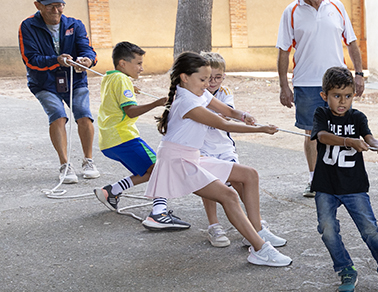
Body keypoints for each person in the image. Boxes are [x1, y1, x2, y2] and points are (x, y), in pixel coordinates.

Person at [148, 52, 291, 267]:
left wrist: (243, 115)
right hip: (177, 162)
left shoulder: (197, 93)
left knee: (249, 175)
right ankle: (260, 249)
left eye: (209, 79)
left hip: (192, 156)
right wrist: (261, 129)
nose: (207, 84)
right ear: (185, 78)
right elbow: (222, 124)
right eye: (203, 79)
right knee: (229, 195)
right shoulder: (186, 101)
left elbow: (226, 111)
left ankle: (256, 231)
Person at [312, 66, 378, 292]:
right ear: (325, 96)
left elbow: (369, 138)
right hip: (326, 185)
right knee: (327, 229)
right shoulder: (321, 114)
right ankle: (346, 269)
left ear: (354, 95)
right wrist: (349, 141)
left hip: (354, 186)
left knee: (370, 230)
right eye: (336, 96)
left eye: (347, 96)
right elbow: (322, 136)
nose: (342, 101)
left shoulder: (357, 117)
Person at [277, 0, 365, 198]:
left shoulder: (336, 6)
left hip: (338, 83)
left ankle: (341, 178)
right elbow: (283, 51)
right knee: (312, 134)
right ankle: (314, 180)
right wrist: (284, 86)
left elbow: (352, 42)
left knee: (342, 129)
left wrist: (358, 74)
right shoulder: (291, 12)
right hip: (306, 84)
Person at [94, 41, 189, 230]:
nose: (141, 68)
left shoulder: (110, 77)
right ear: (123, 63)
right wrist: (157, 103)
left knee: (148, 171)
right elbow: (130, 111)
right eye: (138, 63)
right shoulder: (122, 80)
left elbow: (116, 97)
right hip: (123, 137)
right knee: (160, 168)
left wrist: (130, 88)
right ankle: (159, 214)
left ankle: (111, 191)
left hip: (109, 141)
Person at [20, 0, 101, 183]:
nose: (56, 11)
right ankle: (65, 165)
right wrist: (56, 60)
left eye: (60, 6)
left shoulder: (75, 24)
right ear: (38, 6)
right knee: (57, 115)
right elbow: (30, 59)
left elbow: (88, 50)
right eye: (50, 6)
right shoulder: (28, 26)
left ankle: (88, 161)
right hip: (44, 83)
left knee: (84, 114)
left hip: (74, 79)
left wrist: (87, 61)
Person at [199, 53, 242, 247]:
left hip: (224, 147)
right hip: (202, 148)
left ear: (224, 76)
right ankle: (214, 225)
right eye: (209, 77)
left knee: (239, 180)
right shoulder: (194, 92)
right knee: (209, 185)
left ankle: (252, 222)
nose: (213, 81)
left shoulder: (224, 92)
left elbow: (227, 115)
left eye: (218, 77)